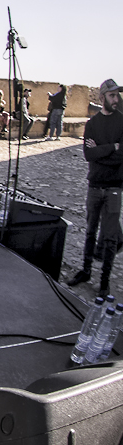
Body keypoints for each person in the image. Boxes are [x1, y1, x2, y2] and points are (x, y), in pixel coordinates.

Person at [66, 79, 123, 297]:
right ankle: (86, 271)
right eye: (112, 96)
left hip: (114, 188)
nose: (116, 99)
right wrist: (112, 148)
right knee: (90, 231)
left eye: (117, 95)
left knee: (109, 237)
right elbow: (88, 155)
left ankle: (105, 281)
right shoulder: (92, 124)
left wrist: (102, 150)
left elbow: (121, 157)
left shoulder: (122, 122)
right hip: (94, 185)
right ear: (102, 98)